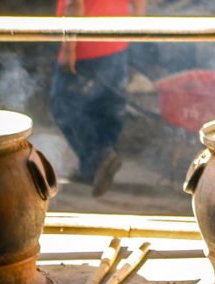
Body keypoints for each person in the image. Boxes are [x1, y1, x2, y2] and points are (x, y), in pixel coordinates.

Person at [51, 0, 146, 198]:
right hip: (117, 40)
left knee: (63, 104)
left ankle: (99, 158)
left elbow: (74, 4)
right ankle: (94, 167)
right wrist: (133, 31)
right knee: (107, 107)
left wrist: (69, 49)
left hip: (86, 47)